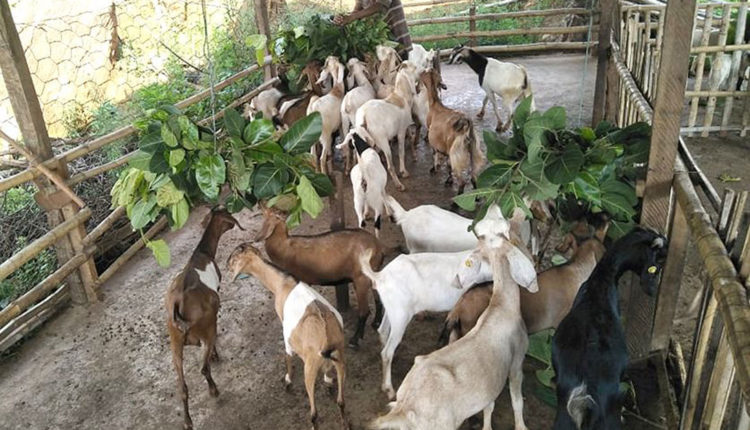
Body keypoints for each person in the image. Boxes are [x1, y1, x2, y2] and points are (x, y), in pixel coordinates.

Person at [333, 0, 413, 57]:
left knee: (400, 67)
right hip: (380, 44)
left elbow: (379, 6)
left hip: (396, 36)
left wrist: (352, 17)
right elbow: (356, 11)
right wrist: (342, 18)